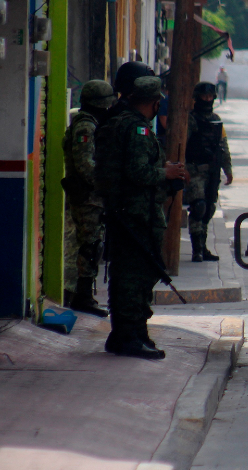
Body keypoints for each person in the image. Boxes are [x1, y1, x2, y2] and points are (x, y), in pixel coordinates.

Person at [96, 76, 186, 359]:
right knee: (133, 279)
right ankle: (127, 336)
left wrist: (163, 168)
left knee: (132, 276)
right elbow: (137, 173)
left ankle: (132, 332)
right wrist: (166, 173)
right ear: (156, 102)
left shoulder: (120, 122)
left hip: (127, 213)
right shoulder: (136, 128)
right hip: (135, 215)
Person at [62, 80, 117, 317]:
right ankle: (82, 295)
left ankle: (83, 293)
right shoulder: (86, 127)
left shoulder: (91, 123)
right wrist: (105, 186)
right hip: (87, 197)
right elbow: (86, 166)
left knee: (92, 244)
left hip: (91, 197)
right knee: (90, 245)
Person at [185, 82, 233, 262]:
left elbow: (223, 146)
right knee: (198, 207)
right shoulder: (190, 119)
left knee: (209, 208)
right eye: (204, 96)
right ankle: (196, 249)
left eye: (210, 96)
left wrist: (228, 169)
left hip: (212, 172)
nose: (207, 99)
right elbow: (182, 146)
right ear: (197, 97)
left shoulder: (216, 119)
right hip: (194, 170)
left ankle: (203, 248)